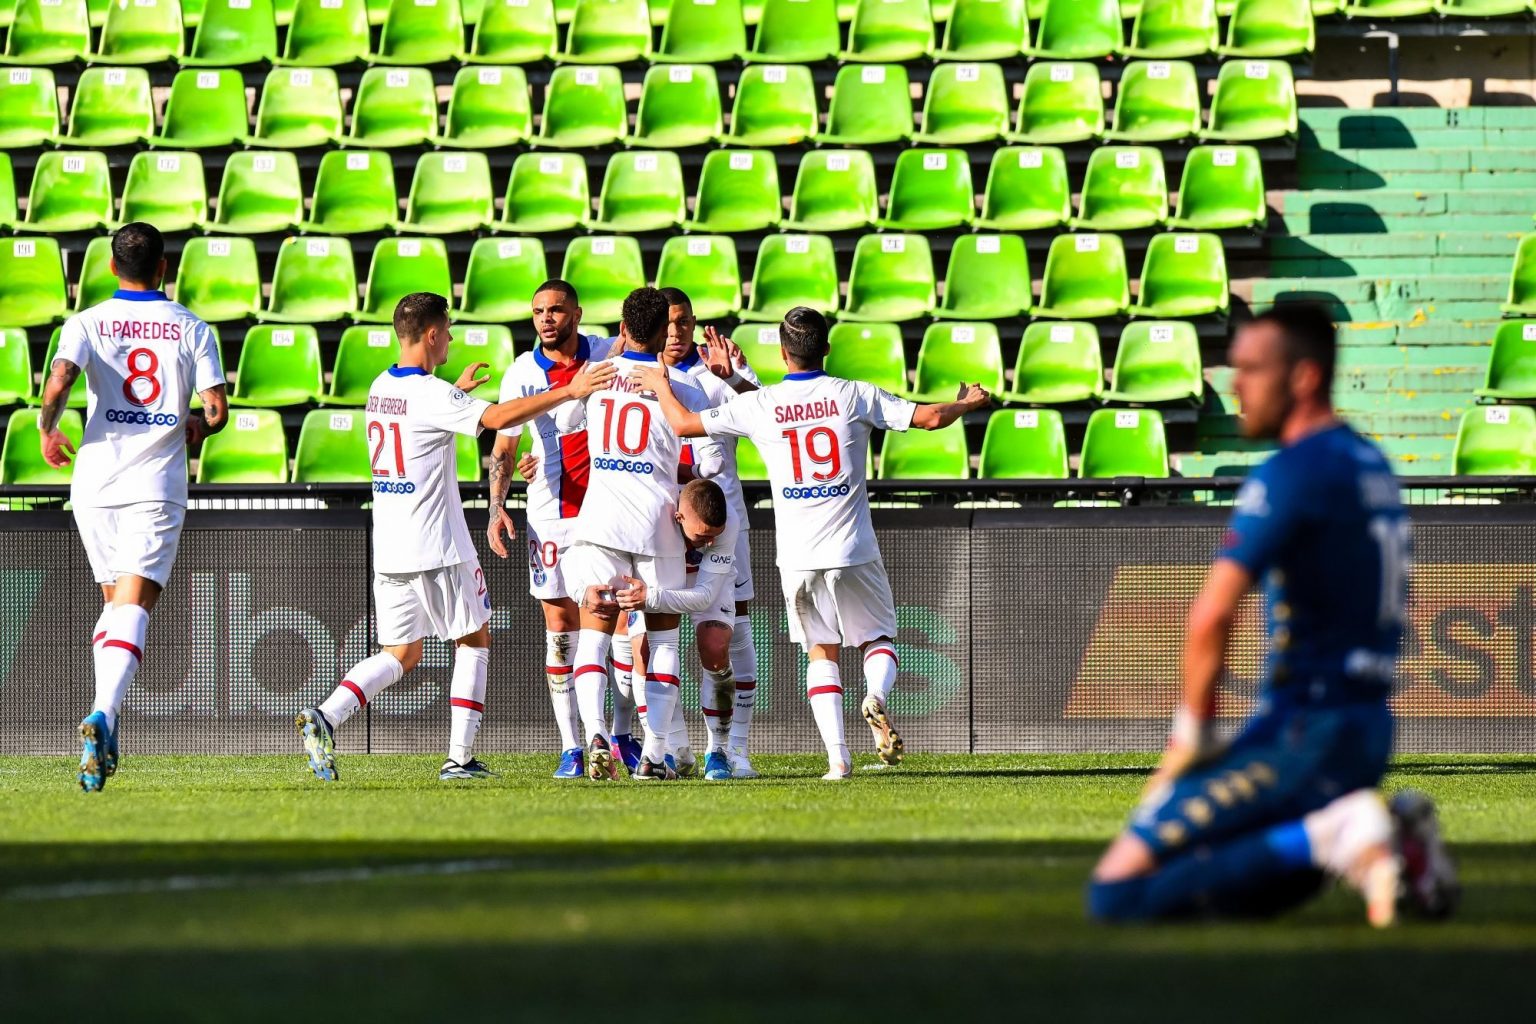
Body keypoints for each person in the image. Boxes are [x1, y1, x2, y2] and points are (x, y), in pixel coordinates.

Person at [1086, 303, 1458, 926]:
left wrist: (1191, 738)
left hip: (1302, 732)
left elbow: (1210, 616)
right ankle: (1383, 835)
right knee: (1227, 896)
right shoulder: (1372, 464)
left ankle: (1336, 832)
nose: (1236, 386)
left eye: (1253, 370)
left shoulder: (1293, 472)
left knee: (1115, 895)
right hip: (1365, 730)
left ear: (1304, 378)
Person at [635, 306, 991, 780]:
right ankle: (876, 698)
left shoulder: (763, 405)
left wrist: (660, 384)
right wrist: (966, 402)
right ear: (826, 348)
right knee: (878, 638)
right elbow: (927, 418)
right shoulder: (853, 394)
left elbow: (682, 425)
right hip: (853, 547)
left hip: (798, 556)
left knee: (821, 652)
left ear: (783, 354)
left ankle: (837, 762)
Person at [296, 293, 616, 783]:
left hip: (391, 548)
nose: (449, 337)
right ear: (429, 334)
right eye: (445, 330)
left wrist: (457, 393)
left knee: (401, 654)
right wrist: (570, 392)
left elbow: (432, 414)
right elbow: (496, 421)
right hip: (439, 544)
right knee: (474, 641)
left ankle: (325, 716)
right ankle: (459, 759)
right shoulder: (432, 395)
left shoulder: (382, 387)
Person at [40, 222, 228, 792]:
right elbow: (216, 410)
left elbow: (59, 382)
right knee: (134, 607)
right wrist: (196, 424)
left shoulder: (87, 322)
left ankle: (106, 725)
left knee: (114, 609)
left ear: (112, 267)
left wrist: (47, 430)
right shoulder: (192, 328)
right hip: (154, 483)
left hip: (94, 483)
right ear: (164, 267)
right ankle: (102, 713)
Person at [559, 287, 724, 781]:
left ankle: (595, 734)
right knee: (663, 635)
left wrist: (597, 375)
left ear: (624, 328)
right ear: (663, 334)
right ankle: (653, 754)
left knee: (595, 630)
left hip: (602, 519)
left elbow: (566, 420)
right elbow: (708, 452)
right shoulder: (680, 387)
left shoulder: (594, 378)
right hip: (658, 523)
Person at [486, 280, 615, 780]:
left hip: (605, 515)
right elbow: (503, 449)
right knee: (561, 630)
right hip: (548, 517)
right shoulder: (521, 373)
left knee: (613, 627)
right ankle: (571, 745)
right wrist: (497, 508)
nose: (546, 319)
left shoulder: (606, 353)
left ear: (577, 314)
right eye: (538, 310)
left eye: (556, 310)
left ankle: (616, 736)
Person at [658, 288, 762, 780]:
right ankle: (673, 748)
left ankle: (730, 748)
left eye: (683, 322)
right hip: (661, 526)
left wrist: (736, 376)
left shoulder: (716, 374)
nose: (675, 331)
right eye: (667, 322)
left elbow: (771, 413)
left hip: (721, 527)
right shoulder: (635, 374)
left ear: (695, 323)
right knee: (646, 639)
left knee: (727, 633)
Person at [583, 479, 739, 780]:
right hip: (658, 575)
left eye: (712, 537)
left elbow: (705, 595)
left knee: (716, 647)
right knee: (642, 653)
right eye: (700, 536)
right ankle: (665, 749)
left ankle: (718, 751)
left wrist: (650, 597)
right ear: (679, 517)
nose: (707, 543)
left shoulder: (726, 522)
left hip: (704, 582)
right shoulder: (653, 510)